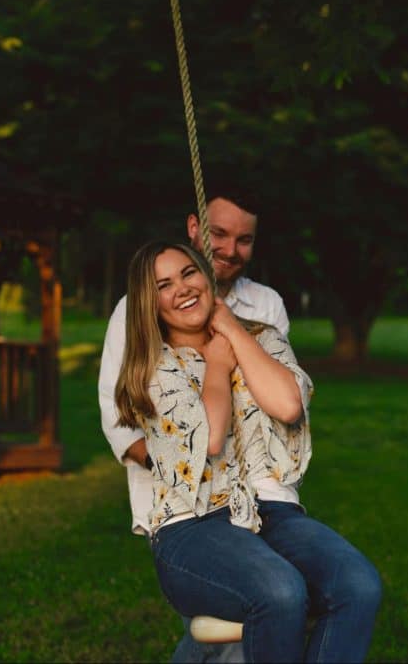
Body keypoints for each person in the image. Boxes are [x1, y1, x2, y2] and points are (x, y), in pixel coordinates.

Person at [115, 241, 380, 662]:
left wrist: (234, 332)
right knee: (280, 590)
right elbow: (210, 438)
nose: (181, 288)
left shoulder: (262, 338)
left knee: (358, 584)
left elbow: (288, 405)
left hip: (270, 514)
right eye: (163, 284)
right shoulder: (153, 367)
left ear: (206, 276)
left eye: (188, 273)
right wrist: (218, 366)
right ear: (151, 303)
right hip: (192, 527)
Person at [98, 192, 287, 661]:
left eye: (244, 239)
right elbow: (116, 411)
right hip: (185, 506)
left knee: (242, 622)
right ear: (194, 229)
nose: (229, 249)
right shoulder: (137, 308)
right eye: (219, 234)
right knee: (234, 620)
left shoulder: (265, 306)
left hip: (258, 499)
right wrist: (178, 463)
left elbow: (274, 406)